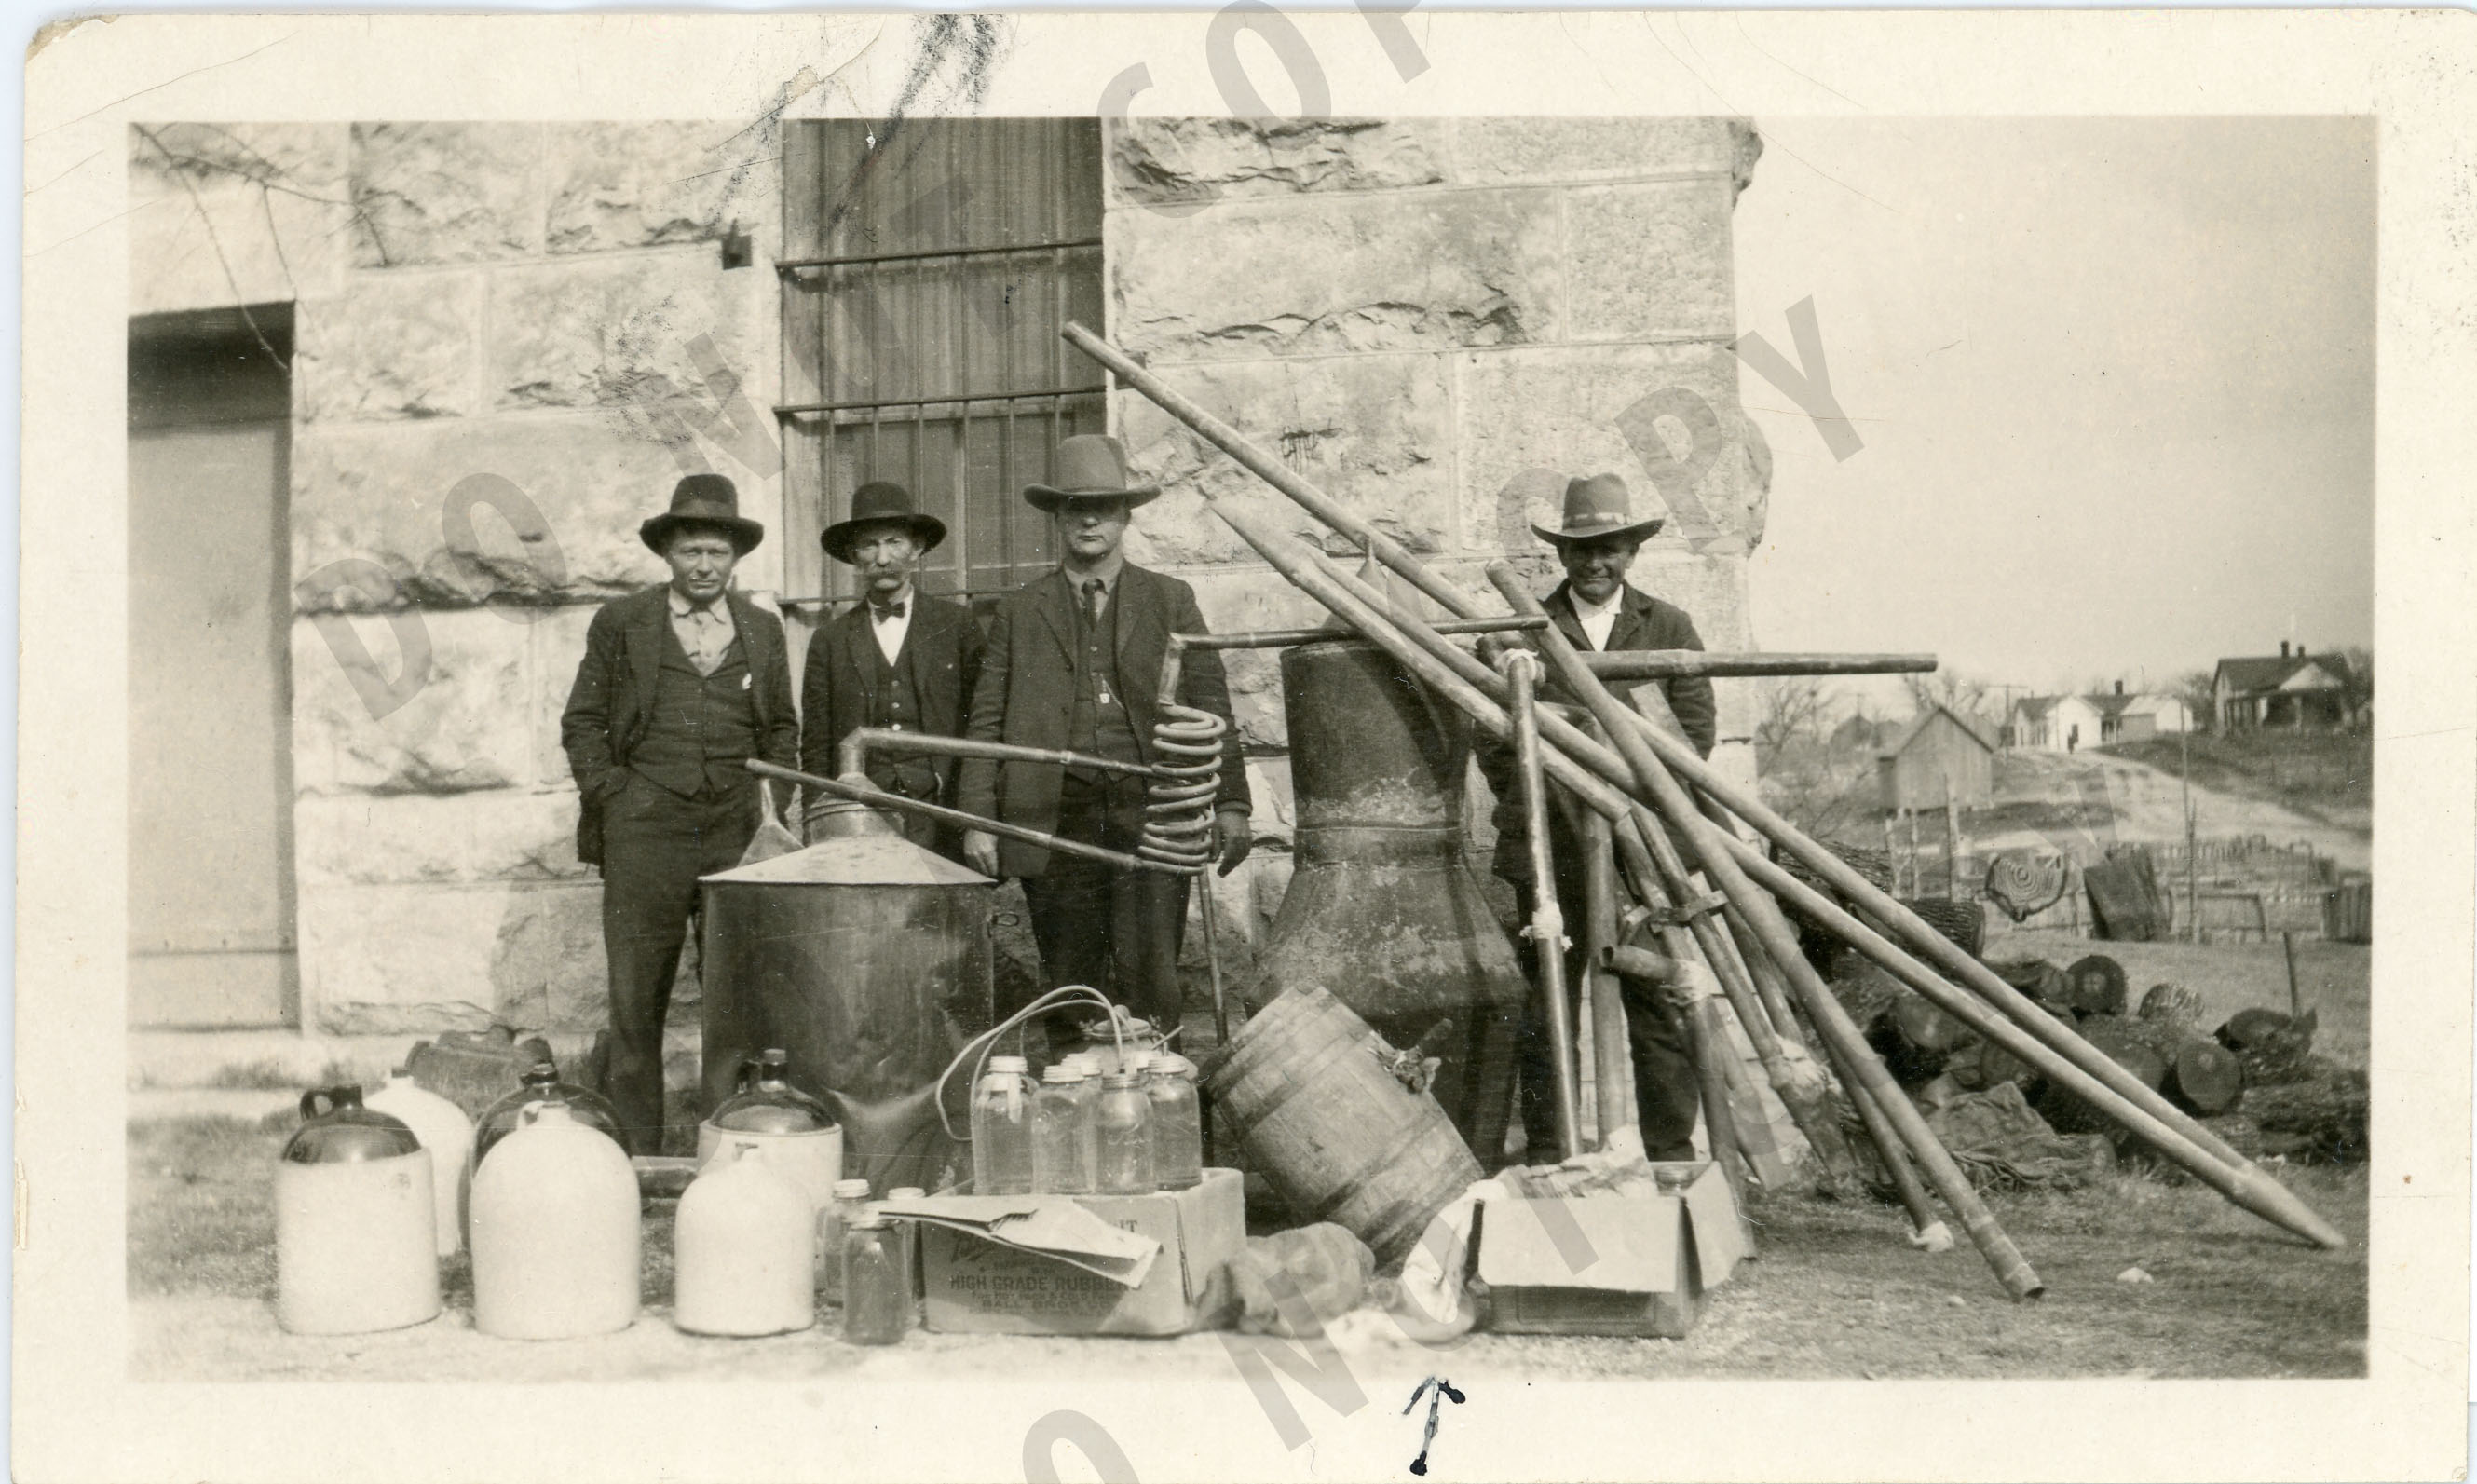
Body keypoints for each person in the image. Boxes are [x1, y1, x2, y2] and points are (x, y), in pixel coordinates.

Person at [956, 434, 1251, 1037]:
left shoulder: (1169, 599)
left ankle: (1158, 1086)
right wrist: (978, 818)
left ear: (1125, 517)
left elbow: (1210, 703)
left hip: (1155, 810)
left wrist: (1231, 804)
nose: (1089, 520)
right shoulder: (1020, 609)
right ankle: (1073, 1088)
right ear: (1057, 518)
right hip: (1054, 813)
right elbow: (986, 719)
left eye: (1103, 507)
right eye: (1075, 507)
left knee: (1152, 978)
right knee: (1069, 981)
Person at [560, 474, 798, 1154]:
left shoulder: (761, 629)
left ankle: (727, 1148)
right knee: (636, 1002)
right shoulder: (622, 623)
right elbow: (582, 722)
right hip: (644, 835)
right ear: (668, 553)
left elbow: (783, 730)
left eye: (716, 552)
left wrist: (769, 810)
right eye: (691, 551)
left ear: (735, 558)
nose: (703, 566)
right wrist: (615, 795)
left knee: (733, 999)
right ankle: (636, 1156)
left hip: (735, 833)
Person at [1487, 472, 1716, 1162]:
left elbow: (1694, 736)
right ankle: (1553, 1149)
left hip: (1644, 844)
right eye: (1581, 549)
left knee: (1656, 998)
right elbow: (1493, 742)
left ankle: (1670, 1152)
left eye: (1609, 549)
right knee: (1548, 1001)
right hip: (1553, 842)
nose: (1595, 563)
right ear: (1561, 553)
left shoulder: (1669, 626)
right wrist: (1552, 791)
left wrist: (1626, 793)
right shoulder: (1524, 628)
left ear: (1631, 553)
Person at [799, 481, 985, 856]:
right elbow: (816, 746)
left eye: (894, 542)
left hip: (942, 812)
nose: (882, 558)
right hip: (860, 814)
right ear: (854, 556)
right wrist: (816, 822)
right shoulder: (829, 640)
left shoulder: (957, 626)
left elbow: (982, 725)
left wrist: (976, 818)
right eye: (870, 545)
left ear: (917, 548)